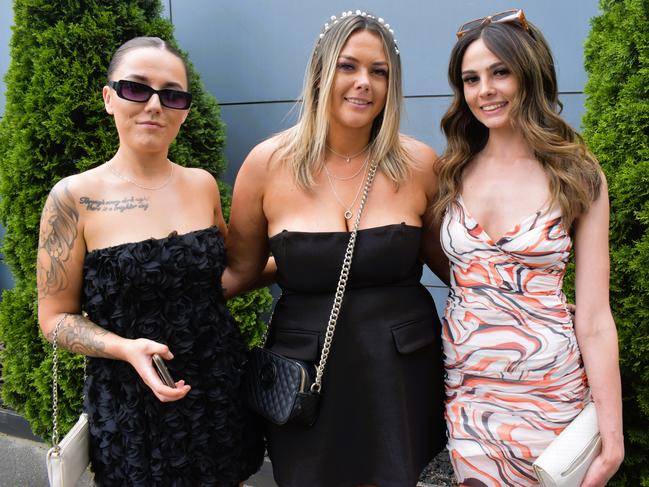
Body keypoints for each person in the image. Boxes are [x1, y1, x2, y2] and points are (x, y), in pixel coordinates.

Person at [223, 10, 446, 487]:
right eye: (348, 66)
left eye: (378, 71)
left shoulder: (420, 164)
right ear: (321, 72)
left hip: (402, 375)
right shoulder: (266, 165)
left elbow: (457, 269)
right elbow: (239, 272)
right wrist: (151, 301)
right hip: (307, 378)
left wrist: (534, 304)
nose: (363, 82)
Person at [36, 36, 263, 486]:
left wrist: (313, 258)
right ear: (109, 98)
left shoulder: (201, 185)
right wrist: (125, 348)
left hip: (218, 391)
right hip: (131, 405)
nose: (155, 105)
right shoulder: (73, 198)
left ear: (185, 108)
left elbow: (222, 277)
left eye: (172, 94)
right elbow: (54, 318)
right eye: (137, 89)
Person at [431, 9, 624, 486]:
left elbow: (596, 318)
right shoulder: (450, 172)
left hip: (549, 392)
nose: (484, 90)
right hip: (469, 394)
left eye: (500, 72)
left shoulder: (576, 174)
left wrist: (614, 437)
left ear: (530, 74)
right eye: (470, 78)